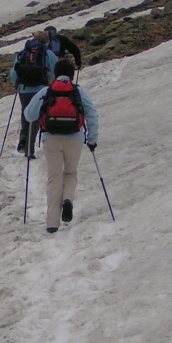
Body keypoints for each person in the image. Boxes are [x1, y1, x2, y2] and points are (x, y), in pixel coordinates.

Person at [23, 57, 99, 233]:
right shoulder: (79, 91)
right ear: (72, 75)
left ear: (55, 74)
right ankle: (67, 200)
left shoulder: (46, 91)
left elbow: (29, 115)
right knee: (70, 173)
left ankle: (52, 223)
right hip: (75, 138)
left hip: (51, 138)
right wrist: (92, 139)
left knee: (54, 177)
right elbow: (92, 115)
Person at [10, 30, 57, 158]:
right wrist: (50, 84)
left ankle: (23, 136)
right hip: (40, 89)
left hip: (24, 89)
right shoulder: (48, 54)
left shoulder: (23, 53)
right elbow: (54, 71)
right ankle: (29, 149)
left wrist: (17, 85)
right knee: (36, 116)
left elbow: (14, 72)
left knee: (25, 112)